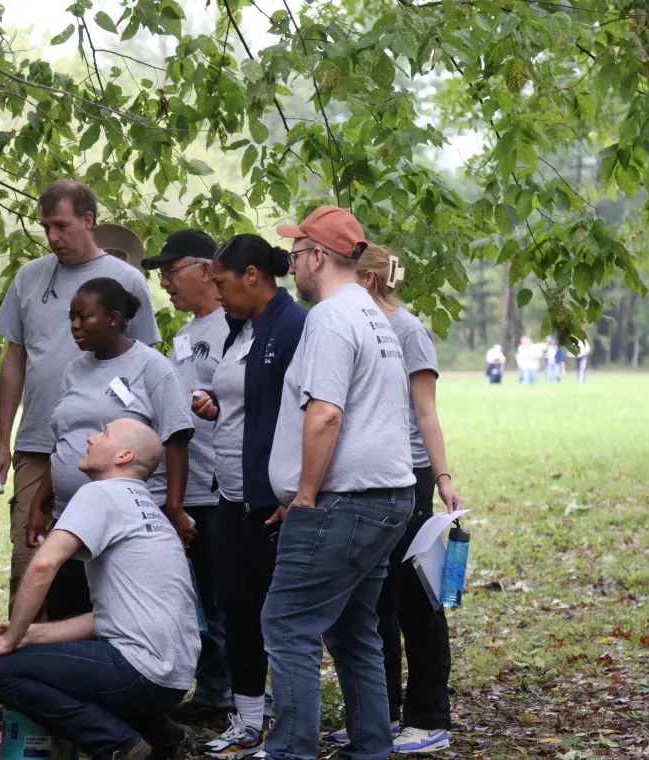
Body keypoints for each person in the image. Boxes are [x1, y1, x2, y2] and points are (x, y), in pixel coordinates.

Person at [262, 207, 416, 760]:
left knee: (286, 624)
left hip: (342, 503)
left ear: (318, 257)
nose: (291, 267)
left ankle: (291, 751)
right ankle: (372, 747)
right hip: (383, 499)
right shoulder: (374, 315)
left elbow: (326, 413)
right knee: (353, 632)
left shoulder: (330, 318)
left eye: (295, 255)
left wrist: (303, 496)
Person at [0, 419, 199, 760]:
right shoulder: (147, 508)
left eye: (104, 434)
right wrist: (28, 634)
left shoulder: (102, 493)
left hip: (137, 671)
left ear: (123, 455)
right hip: (170, 681)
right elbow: (106, 618)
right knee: (46, 662)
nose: (91, 438)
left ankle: (118, 744)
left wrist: (8, 641)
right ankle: (157, 731)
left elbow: (44, 565)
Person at [0, 180, 161, 616]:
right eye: (46, 227)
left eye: (61, 226)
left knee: (103, 564)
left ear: (88, 221)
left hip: (108, 451)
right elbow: (14, 358)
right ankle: (23, 650)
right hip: (37, 445)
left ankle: (97, 647)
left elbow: (146, 365)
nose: (52, 237)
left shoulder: (126, 280)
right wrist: (1, 442)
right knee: (30, 562)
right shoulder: (30, 277)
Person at [325, 243, 463, 754]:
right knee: (373, 600)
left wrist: (442, 476)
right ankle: (377, 714)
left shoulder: (408, 330)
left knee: (416, 601)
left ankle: (428, 718)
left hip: (409, 476)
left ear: (366, 280)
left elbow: (425, 412)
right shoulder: (353, 324)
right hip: (368, 478)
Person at [189, 234, 307, 757]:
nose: (217, 294)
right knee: (234, 606)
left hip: (272, 499)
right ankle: (248, 721)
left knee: (272, 615)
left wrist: (296, 489)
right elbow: (246, 397)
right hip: (230, 497)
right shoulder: (241, 328)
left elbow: (310, 411)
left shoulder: (294, 325)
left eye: (222, 283)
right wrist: (215, 405)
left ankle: (289, 725)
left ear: (252, 276)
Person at [27, 277, 194, 622]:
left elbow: (176, 439)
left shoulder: (152, 367)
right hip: (70, 518)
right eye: (71, 317)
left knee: (116, 617)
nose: (74, 326)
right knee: (65, 614)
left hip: (125, 522)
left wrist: (175, 508)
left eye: (84, 317)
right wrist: (39, 504)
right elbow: (64, 443)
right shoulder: (74, 371)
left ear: (114, 319)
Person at [140, 229, 234, 722]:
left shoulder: (235, 326)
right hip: (182, 487)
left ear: (205, 269)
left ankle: (236, 697)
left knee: (224, 593)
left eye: (171, 272)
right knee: (194, 596)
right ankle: (210, 691)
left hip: (224, 490)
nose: (165, 284)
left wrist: (215, 405)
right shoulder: (182, 335)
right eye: (160, 275)